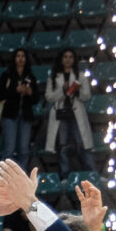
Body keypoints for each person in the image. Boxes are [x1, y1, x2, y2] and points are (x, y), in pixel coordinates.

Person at [44, 48, 93, 177]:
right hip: (61, 114)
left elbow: (87, 95)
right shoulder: (54, 77)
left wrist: (76, 91)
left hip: (76, 113)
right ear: (61, 59)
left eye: (70, 57)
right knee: (63, 145)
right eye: (65, 56)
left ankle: (90, 173)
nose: (68, 59)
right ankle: (65, 175)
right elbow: (49, 97)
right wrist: (63, 91)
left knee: (81, 143)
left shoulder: (80, 76)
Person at [0, 47, 40, 169]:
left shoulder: (30, 76)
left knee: (24, 149)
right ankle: (4, 178)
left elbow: (36, 99)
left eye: (23, 56)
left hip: (25, 114)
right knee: (9, 148)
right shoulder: (7, 75)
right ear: (14, 58)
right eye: (18, 56)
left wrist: (29, 92)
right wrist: (15, 90)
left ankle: (22, 177)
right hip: (10, 114)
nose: (20, 58)